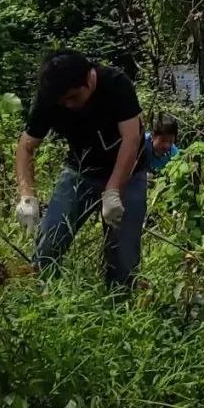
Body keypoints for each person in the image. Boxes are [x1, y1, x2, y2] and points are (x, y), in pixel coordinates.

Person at [14, 50, 147, 287]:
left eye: (74, 97)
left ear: (89, 79)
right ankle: (43, 296)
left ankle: (118, 305)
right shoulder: (49, 98)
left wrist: (114, 190)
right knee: (50, 239)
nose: (68, 105)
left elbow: (132, 139)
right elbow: (26, 147)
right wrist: (26, 196)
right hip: (80, 172)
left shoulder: (116, 84)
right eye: (62, 101)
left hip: (128, 174)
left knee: (124, 255)